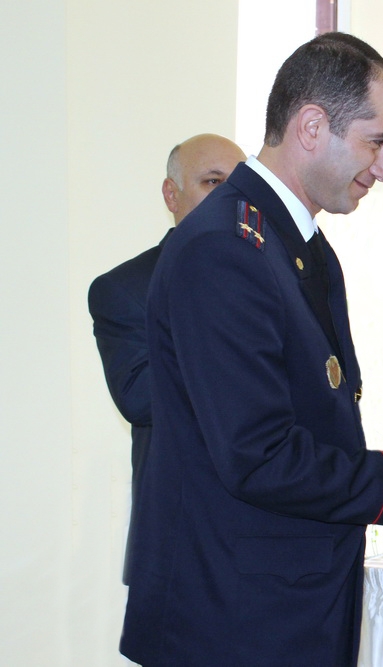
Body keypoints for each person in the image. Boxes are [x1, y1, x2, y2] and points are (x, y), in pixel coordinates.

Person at [119, 33, 383, 666]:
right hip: (233, 624)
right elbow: (260, 455)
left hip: (282, 608)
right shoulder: (226, 248)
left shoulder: (292, 244)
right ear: (312, 127)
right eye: (376, 141)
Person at [88, 133, 246, 584]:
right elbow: (140, 397)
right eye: (212, 181)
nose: (230, 196)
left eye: (239, 185)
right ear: (171, 195)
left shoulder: (279, 280)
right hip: (182, 545)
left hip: (274, 544)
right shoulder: (126, 288)